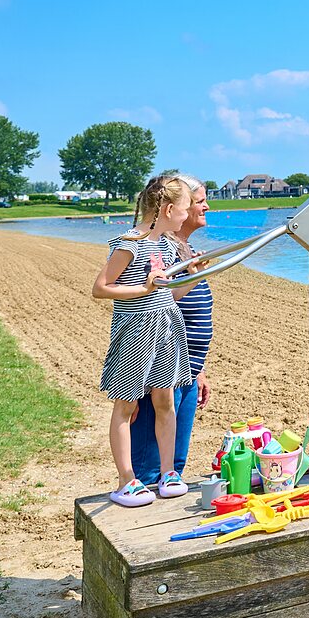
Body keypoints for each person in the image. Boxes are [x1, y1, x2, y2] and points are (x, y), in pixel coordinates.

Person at [91, 176, 195, 507]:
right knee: (127, 406)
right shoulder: (128, 244)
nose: (186, 216)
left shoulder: (165, 245)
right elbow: (100, 288)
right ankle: (126, 480)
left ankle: (168, 473)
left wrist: (197, 273)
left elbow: (169, 292)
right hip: (136, 332)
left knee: (165, 402)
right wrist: (144, 289)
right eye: (184, 209)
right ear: (167, 209)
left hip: (165, 327)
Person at [129, 173, 213, 488]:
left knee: (173, 470)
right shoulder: (157, 250)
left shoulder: (184, 249)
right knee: (150, 472)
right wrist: (136, 385)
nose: (206, 206)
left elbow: (186, 315)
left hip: (186, 373)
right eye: (199, 200)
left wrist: (199, 368)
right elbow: (142, 314)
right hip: (159, 377)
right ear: (174, 206)